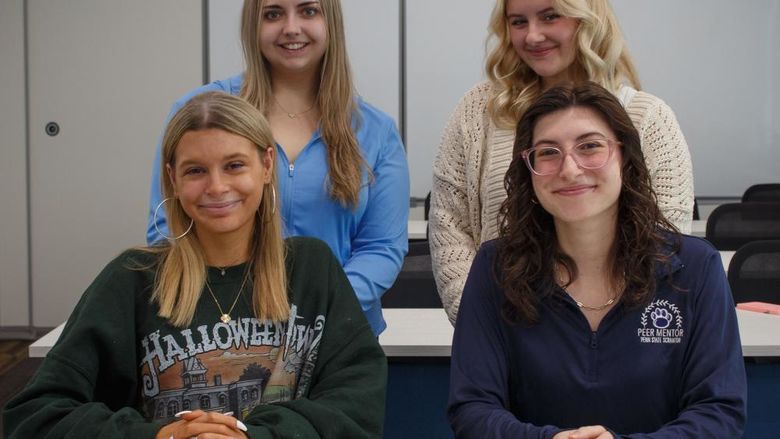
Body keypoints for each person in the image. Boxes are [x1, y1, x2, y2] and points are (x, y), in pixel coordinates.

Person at [3, 92, 387, 439]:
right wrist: (159, 436)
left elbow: (356, 405)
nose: (217, 187)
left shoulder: (311, 269)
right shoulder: (131, 279)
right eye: (195, 171)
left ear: (266, 164)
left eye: (234, 165)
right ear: (172, 178)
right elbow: (35, 415)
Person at [448, 82, 745, 438]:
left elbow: (719, 412)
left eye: (589, 146)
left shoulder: (694, 267)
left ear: (625, 157)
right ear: (529, 169)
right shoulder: (496, 266)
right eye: (548, 152)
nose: (570, 169)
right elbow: (472, 407)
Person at [147, 0, 410, 336]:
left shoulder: (376, 130)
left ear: (330, 21)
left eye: (308, 11)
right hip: (223, 334)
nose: (290, 27)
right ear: (252, 25)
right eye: (273, 14)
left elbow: (381, 247)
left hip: (337, 333)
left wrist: (316, 308)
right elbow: (166, 227)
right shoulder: (200, 112)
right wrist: (245, 314)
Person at [430, 0, 694, 324]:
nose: (533, 36)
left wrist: (598, 338)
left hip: (618, 344)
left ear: (589, 19)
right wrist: (488, 326)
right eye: (518, 22)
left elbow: (665, 243)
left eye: (550, 16)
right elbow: (450, 229)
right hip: (503, 334)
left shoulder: (648, 118)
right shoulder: (478, 111)